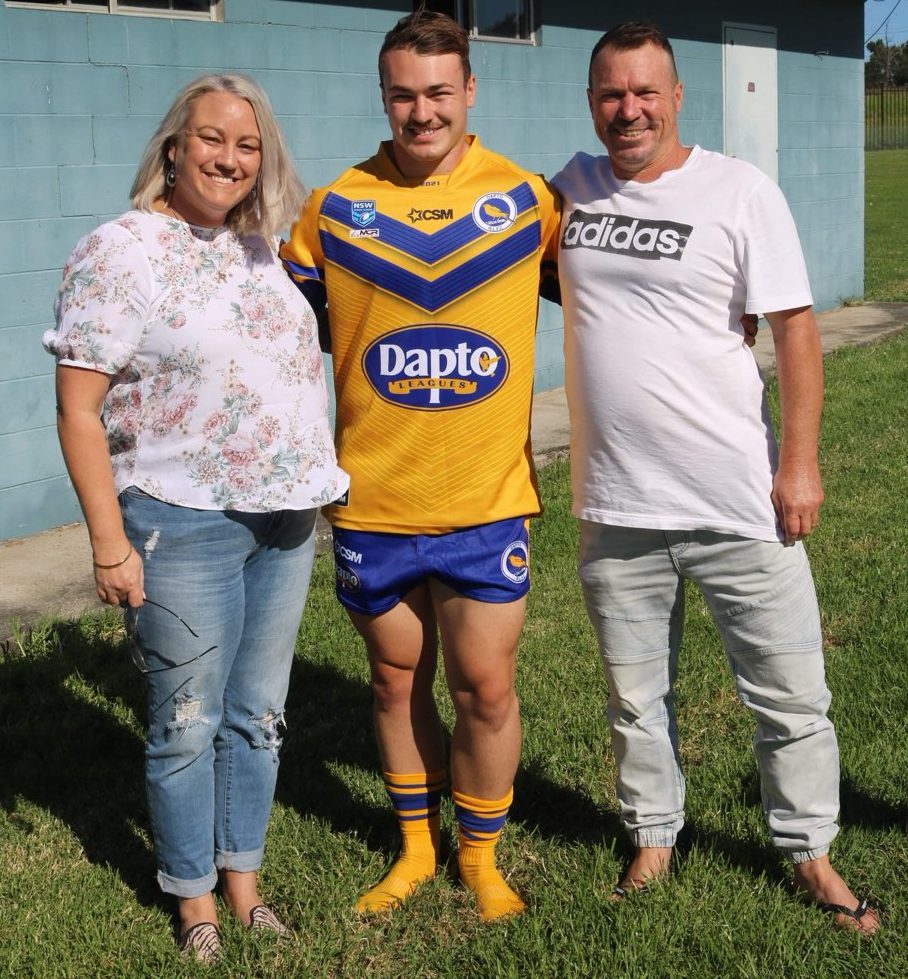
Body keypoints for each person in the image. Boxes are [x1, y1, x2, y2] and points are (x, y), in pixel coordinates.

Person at [552, 22, 878, 933]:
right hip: (615, 501)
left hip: (736, 495)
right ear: (591, 103)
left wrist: (799, 463)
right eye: (612, 94)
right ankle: (653, 834)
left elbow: (796, 329)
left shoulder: (739, 190)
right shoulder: (568, 191)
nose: (630, 110)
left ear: (677, 94)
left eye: (645, 91)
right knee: (633, 693)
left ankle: (811, 851)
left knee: (790, 693)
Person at [43, 74, 349, 962]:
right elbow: (76, 408)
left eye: (247, 146)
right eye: (211, 139)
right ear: (175, 145)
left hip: (286, 521)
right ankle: (194, 900)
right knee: (185, 718)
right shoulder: (122, 248)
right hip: (182, 522)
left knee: (259, 715)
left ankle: (245, 880)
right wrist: (108, 542)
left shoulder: (261, 250)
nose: (228, 158)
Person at [281, 10, 560, 921]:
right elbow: (267, 327)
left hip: (485, 501)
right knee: (393, 681)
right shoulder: (331, 211)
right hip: (375, 501)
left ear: (469, 91)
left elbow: (624, 295)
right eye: (403, 93)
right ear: (384, 96)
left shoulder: (527, 201)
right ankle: (412, 847)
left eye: (439, 91)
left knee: (486, 687)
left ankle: (479, 857)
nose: (421, 110)